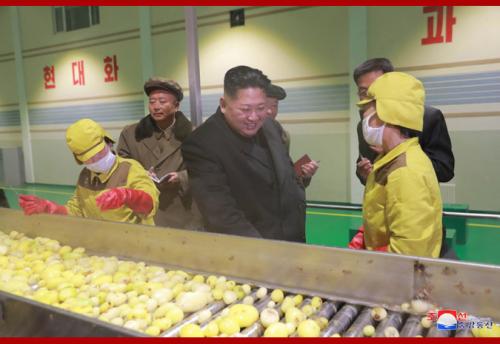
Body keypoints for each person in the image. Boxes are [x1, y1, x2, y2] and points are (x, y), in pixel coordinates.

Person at [181, 65, 306, 242]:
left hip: (292, 241)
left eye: (261, 108)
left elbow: (286, 179)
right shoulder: (202, 143)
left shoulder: (271, 127)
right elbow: (222, 215)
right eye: (245, 109)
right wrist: (264, 252)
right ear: (223, 104)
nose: (254, 117)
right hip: (250, 249)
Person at [351, 72, 443, 258]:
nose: (365, 121)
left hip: (394, 280)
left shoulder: (405, 172)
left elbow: (407, 254)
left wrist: (367, 262)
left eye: (369, 113)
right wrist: (363, 237)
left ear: (388, 115)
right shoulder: (390, 159)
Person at [18, 119, 159, 225]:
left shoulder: (129, 168)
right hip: (100, 244)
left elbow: (150, 205)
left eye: (99, 153)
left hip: (133, 243)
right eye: (89, 159)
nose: (96, 160)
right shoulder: (86, 176)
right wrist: (51, 208)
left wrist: (128, 196)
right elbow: (77, 210)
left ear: (108, 143)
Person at [117, 77, 202, 230]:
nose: (156, 107)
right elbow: (121, 165)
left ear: (176, 106)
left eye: (162, 102)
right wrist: (139, 174)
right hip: (143, 208)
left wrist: (181, 177)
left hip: (180, 210)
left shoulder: (194, 135)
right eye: (152, 101)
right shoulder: (131, 133)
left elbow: (205, 169)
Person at [353, 58, 454, 184]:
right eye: (364, 92)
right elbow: (365, 164)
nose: (372, 96)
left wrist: (394, 152)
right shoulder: (364, 125)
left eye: (378, 88)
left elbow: (445, 170)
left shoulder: (428, 117)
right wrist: (363, 173)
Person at [265, 83, 319, 185]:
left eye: (274, 105)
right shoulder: (242, 136)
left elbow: (286, 178)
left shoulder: (283, 137)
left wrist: (305, 175)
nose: (269, 111)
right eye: (262, 105)